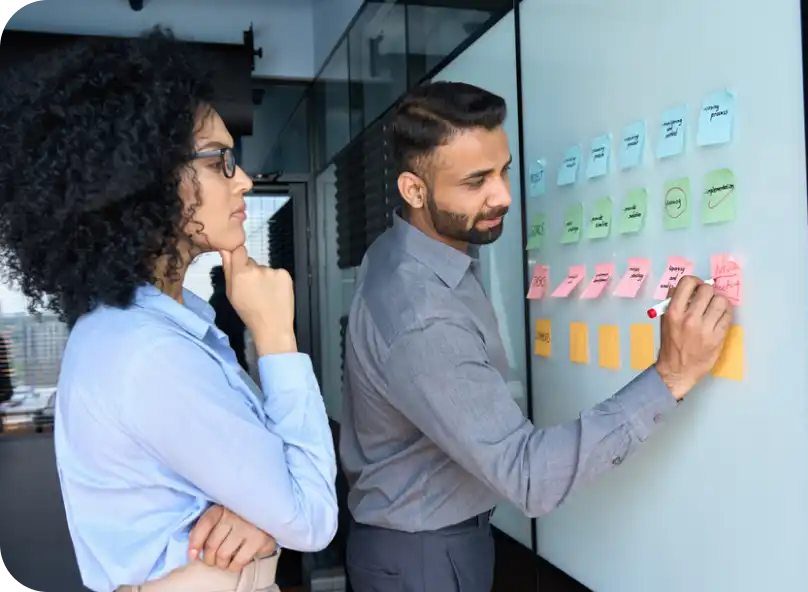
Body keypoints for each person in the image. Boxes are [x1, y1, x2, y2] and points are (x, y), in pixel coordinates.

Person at [339, 81, 734, 591]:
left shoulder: (408, 251)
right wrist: (671, 375)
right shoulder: (422, 314)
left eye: (502, 170)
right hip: (424, 558)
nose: (502, 194)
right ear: (415, 191)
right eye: (476, 180)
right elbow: (529, 478)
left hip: (421, 544)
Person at [0, 29, 339, 592]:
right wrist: (278, 335)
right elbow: (311, 517)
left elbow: (272, 486)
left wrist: (259, 512)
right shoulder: (145, 353)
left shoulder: (160, 326)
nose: (245, 181)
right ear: (145, 180)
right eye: (220, 162)